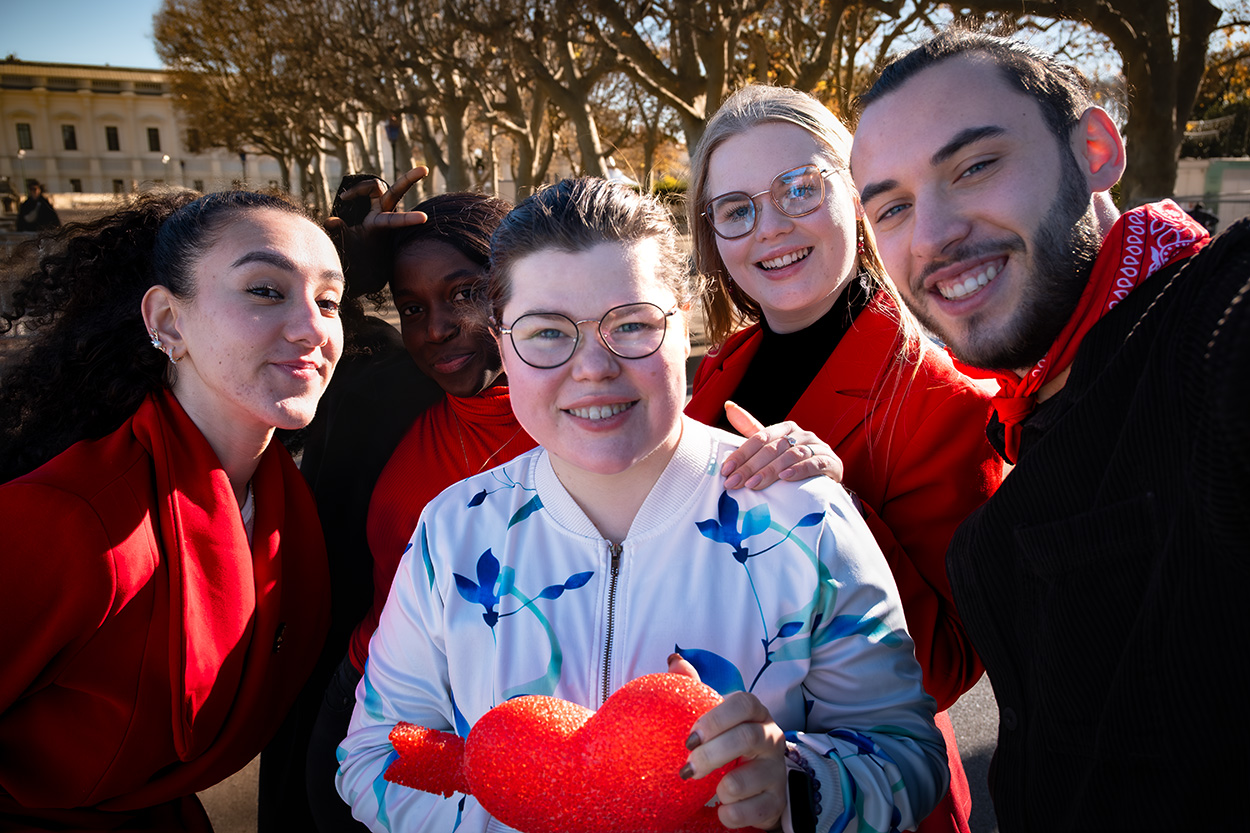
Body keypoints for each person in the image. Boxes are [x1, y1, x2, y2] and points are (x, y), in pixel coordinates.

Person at [336, 177, 948, 831]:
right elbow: (378, 755)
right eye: (546, 332)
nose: (593, 366)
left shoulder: (807, 520)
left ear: (684, 322)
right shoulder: (450, 532)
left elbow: (908, 753)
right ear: (503, 343)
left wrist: (793, 783)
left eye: (630, 324)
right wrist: (524, 811)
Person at [851, 29, 1249, 831]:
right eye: (891, 207)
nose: (930, 235)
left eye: (974, 167)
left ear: (1096, 150)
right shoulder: (1030, 408)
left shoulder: (1208, 324)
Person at [685, 84, 1003, 833]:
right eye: (737, 208)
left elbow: (951, 668)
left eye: (800, 188)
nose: (772, 228)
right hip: (713, 775)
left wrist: (839, 504)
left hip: (872, 794)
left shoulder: (941, 393)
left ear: (856, 195)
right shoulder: (716, 373)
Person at [0, 190, 343, 830]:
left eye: (329, 301)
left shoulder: (286, 511)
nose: (312, 327)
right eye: (266, 291)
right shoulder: (66, 523)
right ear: (168, 321)